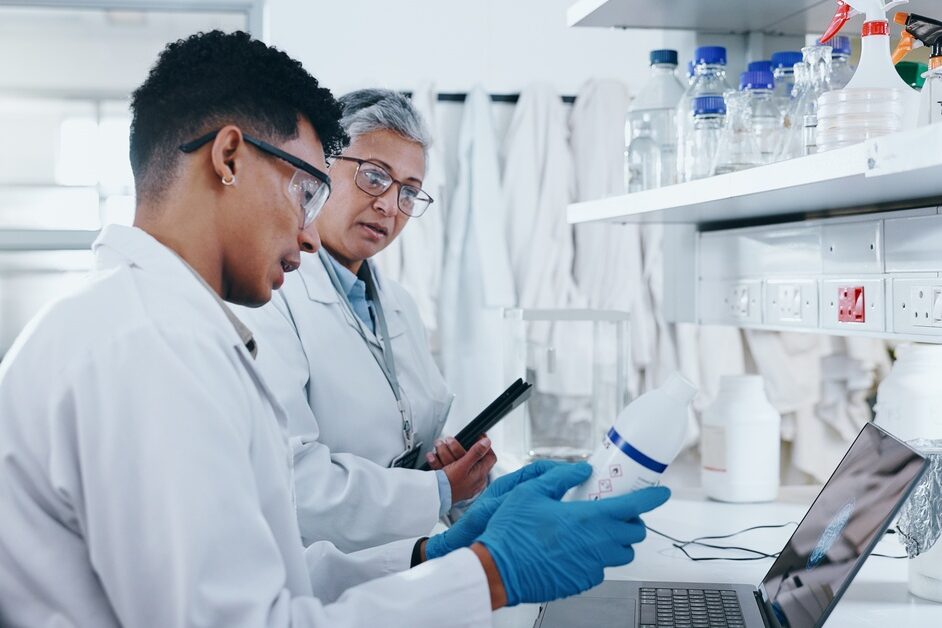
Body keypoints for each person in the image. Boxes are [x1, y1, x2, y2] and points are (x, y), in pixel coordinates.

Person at [0, 30, 670, 627]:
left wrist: (433, 551)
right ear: (229, 157)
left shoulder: (166, 329)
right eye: (305, 191)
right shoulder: (150, 349)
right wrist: (490, 573)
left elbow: (275, 571)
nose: (307, 234)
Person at [236, 89, 492, 552]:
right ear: (322, 164)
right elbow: (293, 480)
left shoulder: (399, 305)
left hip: (408, 562)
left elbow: (416, 443)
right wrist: (435, 492)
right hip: (319, 586)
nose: (390, 206)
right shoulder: (270, 297)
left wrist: (456, 474)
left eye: (409, 192)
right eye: (375, 177)